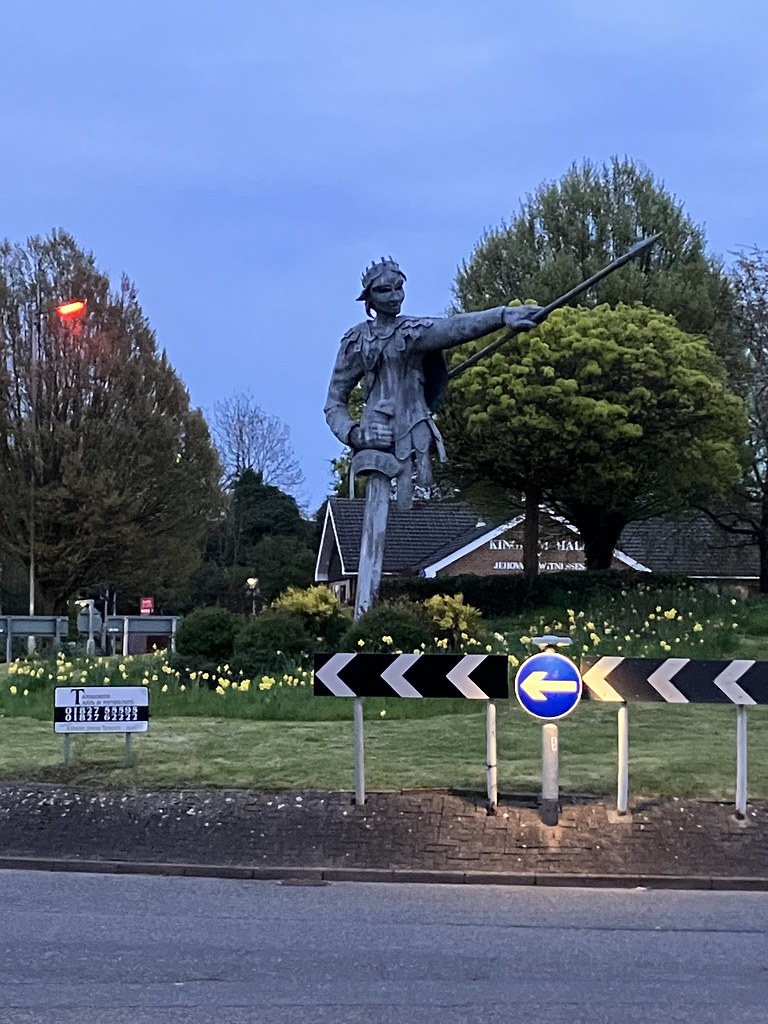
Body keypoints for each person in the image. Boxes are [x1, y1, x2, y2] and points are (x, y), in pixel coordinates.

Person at [324, 257, 542, 509]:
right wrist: (356, 434)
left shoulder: (412, 331)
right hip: (374, 442)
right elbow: (334, 403)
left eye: (398, 287)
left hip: (414, 432)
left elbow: (453, 327)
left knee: (417, 507)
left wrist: (502, 315)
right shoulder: (356, 340)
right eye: (384, 290)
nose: (395, 296)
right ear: (369, 298)